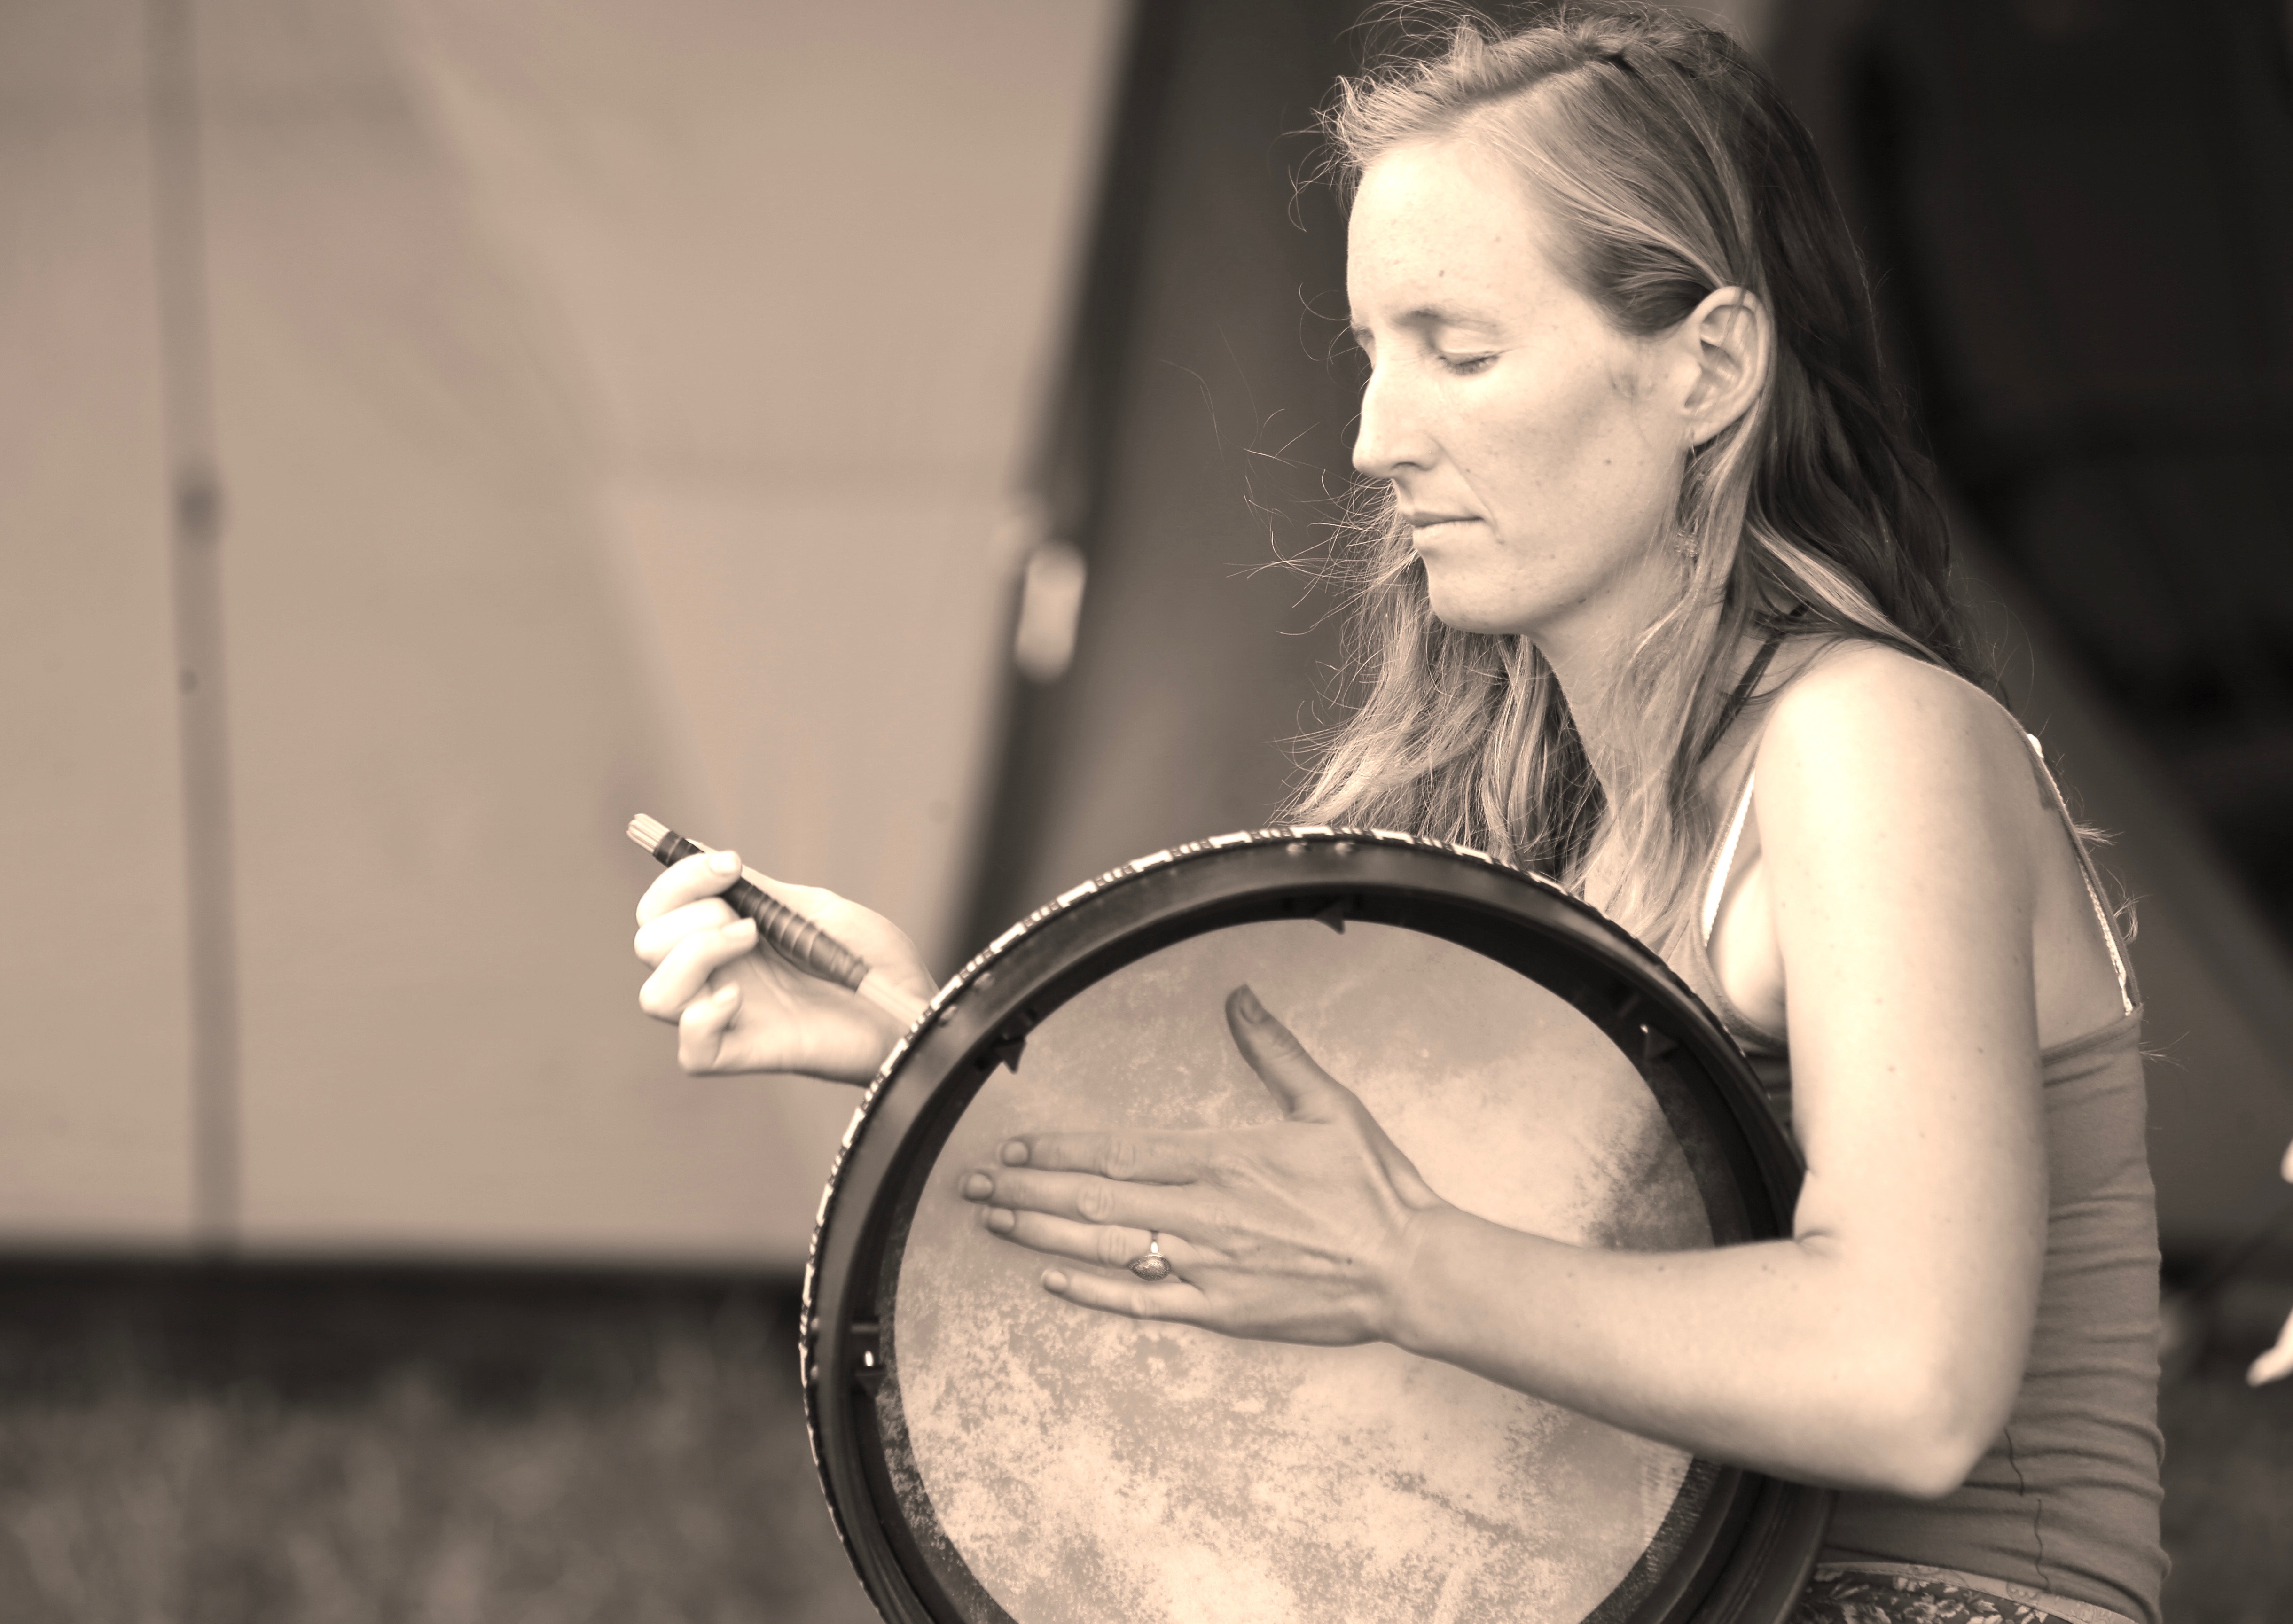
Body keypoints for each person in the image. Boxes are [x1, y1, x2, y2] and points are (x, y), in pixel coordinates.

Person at [630, 7, 2166, 1623]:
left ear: (1709, 366)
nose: (1375, 441)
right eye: (1373, 352)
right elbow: (1377, 1265)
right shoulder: (1584, 831)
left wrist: (1405, 1265)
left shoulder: (1865, 743)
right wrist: (935, 1042)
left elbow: (1910, 1379)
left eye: (1462, 353)